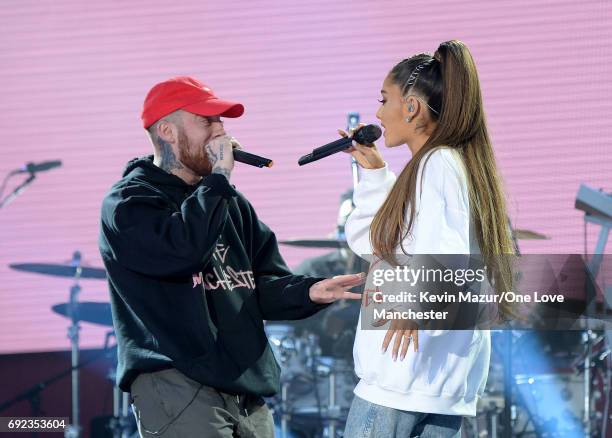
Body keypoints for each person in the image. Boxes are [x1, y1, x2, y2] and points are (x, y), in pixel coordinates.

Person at [98, 76, 364, 438]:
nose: (220, 131)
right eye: (207, 121)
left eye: (221, 121)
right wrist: (219, 175)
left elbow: (261, 283)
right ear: (167, 131)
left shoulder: (229, 203)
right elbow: (184, 250)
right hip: (178, 382)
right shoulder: (130, 203)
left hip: (245, 387)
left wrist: (309, 291)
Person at [340, 40, 516, 437]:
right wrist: (373, 176)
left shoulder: (438, 165)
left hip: (402, 377)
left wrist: (417, 307)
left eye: (384, 100)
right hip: (427, 380)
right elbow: (376, 244)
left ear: (412, 107)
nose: (378, 113)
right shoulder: (444, 165)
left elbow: (447, 252)